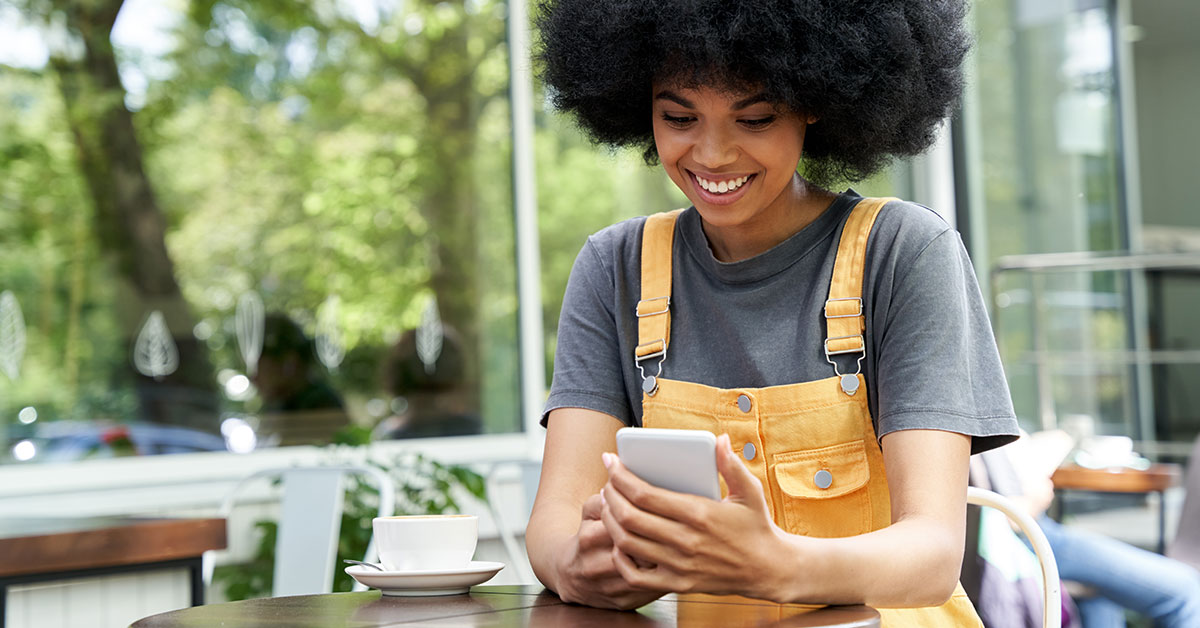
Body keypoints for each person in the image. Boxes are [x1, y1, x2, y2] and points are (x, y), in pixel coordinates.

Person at [525, 1, 1021, 625]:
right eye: (678, 116)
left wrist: (775, 564)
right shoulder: (615, 267)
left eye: (755, 118)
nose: (712, 153)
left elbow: (932, 556)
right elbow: (553, 522)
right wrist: (583, 565)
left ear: (814, 102)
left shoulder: (903, 251)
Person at [978, 437, 1200, 628]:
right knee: (1188, 592)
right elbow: (1012, 517)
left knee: (1102, 598)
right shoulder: (979, 416)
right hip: (1030, 539)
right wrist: (1039, 492)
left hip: (1036, 534)